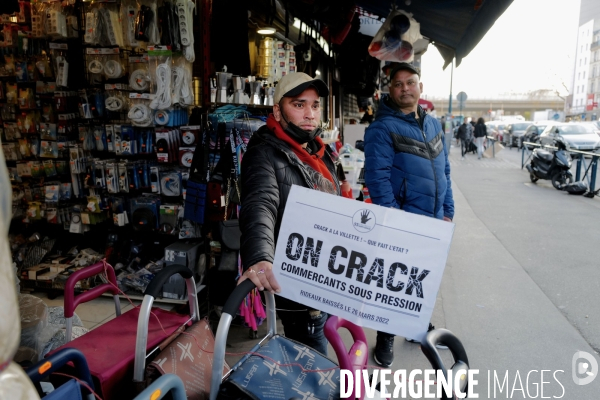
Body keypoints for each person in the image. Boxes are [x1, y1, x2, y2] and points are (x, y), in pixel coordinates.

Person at [237, 72, 339, 355]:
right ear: (278, 111)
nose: (309, 114)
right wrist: (259, 257)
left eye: (315, 105)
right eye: (299, 104)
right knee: (314, 357)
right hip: (298, 280)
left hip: (327, 273)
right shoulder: (263, 152)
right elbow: (260, 204)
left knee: (332, 347)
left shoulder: (319, 151)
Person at [363, 62, 454, 367]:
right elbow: (377, 178)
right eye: (398, 84)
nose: (405, 88)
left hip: (434, 217)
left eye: (410, 82)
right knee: (395, 278)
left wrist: (448, 210)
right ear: (390, 90)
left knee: (423, 277)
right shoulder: (382, 128)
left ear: (420, 87)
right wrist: (395, 219)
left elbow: (444, 170)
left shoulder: (433, 124)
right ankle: (386, 336)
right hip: (404, 219)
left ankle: (417, 326)